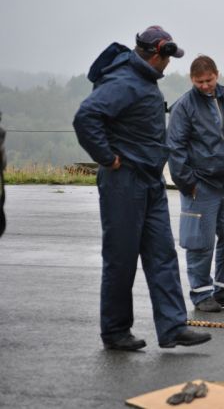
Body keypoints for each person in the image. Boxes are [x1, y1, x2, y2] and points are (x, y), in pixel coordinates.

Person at [72, 26, 211, 350]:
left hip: (150, 180)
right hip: (124, 182)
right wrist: (107, 158)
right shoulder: (124, 80)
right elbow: (86, 117)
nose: (170, 63)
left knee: (162, 255)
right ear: (158, 54)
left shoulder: (143, 79)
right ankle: (115, 331)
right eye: (169, 57)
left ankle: (173, 327)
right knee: (121, 258)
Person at [167, 55, 224, 313]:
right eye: (199, 81)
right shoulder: (183, 106)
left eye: (209, 80)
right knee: (200, 243)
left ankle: (223, 291)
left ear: (217, 74)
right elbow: (175, 148)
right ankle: (201, 294)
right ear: (191, 79)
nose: (204, 85)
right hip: (200, 186)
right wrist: (188, 183)